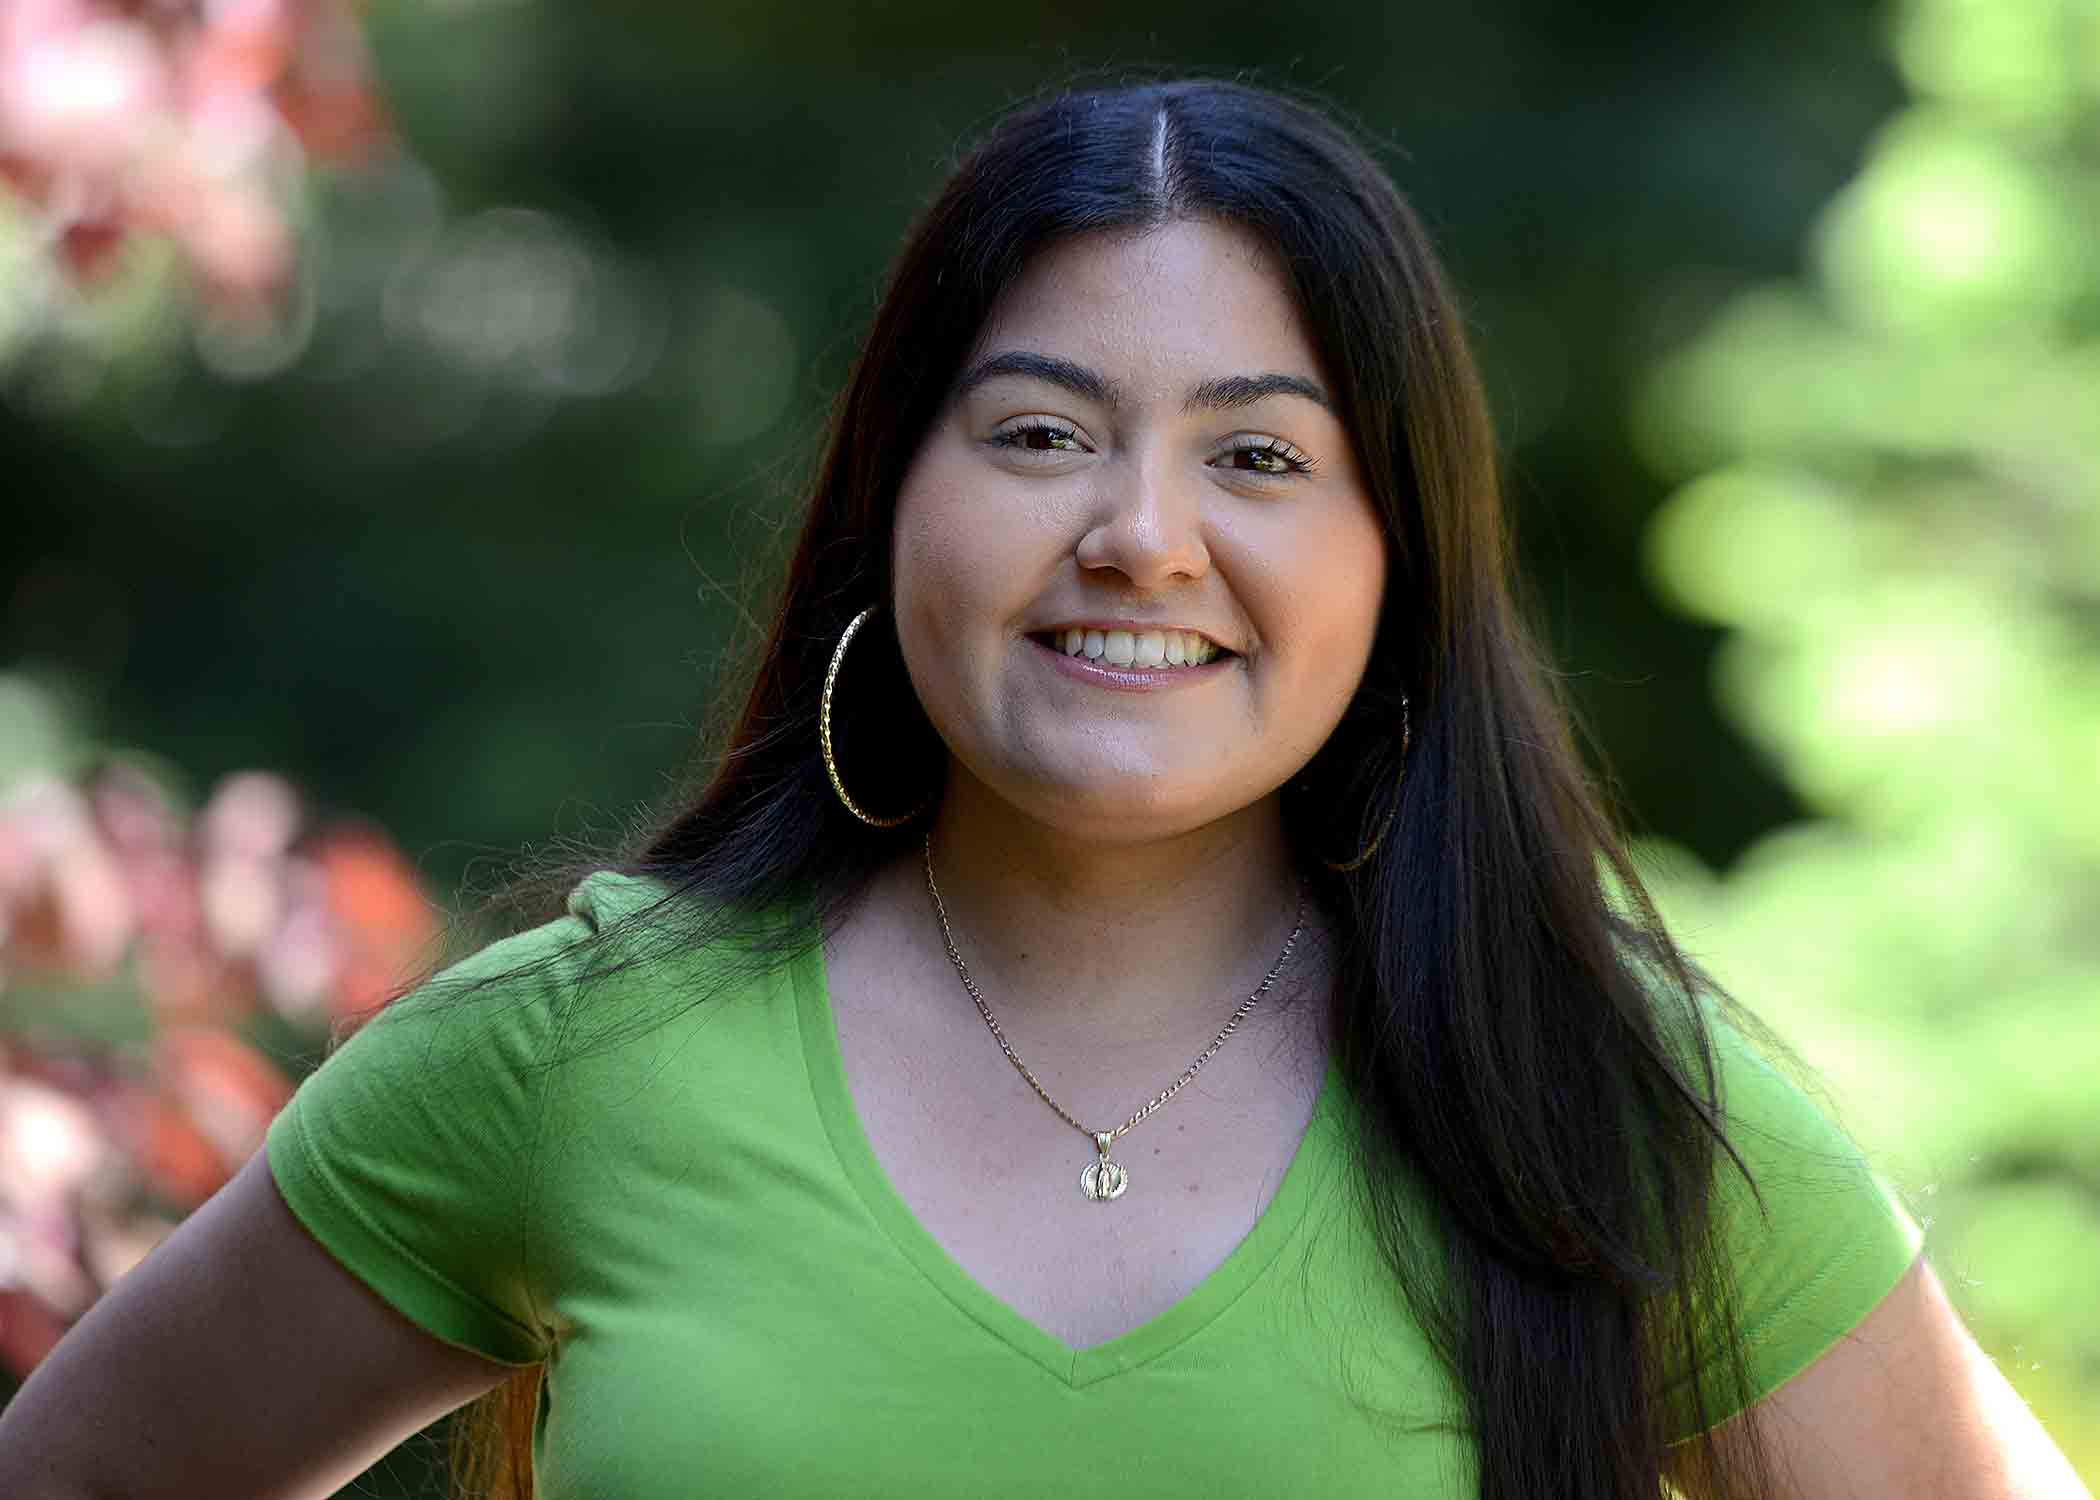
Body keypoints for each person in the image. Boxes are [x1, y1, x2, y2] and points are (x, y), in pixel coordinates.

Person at [0, 76, 2087, 1500]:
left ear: (1400, 565)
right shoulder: (579, 1057)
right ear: (889, 501)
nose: (1143, 538)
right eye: (1039, 433)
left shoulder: (1598, 1100)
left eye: (1261, 457)